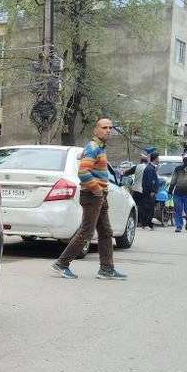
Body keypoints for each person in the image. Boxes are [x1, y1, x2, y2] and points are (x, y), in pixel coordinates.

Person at [51, 118, 128, 280]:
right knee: (86, 232)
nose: (108, 130)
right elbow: (83, 172)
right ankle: (62, 263)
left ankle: (106, 269)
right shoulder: (92, 147)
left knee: (106, 232)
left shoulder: (100, 148)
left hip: (99, 196)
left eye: (110, 127)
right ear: (96, 130)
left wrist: (101, 192)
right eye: (104, 127)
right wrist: (97, 189)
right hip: (93, 196)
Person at [169, 152, 187, 233]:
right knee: (178, 209)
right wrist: (170, 191)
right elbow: (173, 180)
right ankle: (179, 226)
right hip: (178, 193)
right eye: (185, 160)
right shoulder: (178, 169)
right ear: (183, 160)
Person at [139, 152, 160, 228]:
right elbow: (149, 181)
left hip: (150, 191)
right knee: (148, 208)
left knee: (150, 208)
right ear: (155, 159)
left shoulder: (152, 168)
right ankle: (146, 223)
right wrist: (152, 191)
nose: (159, 160)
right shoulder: (150, 169)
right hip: (149, 192)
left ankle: (148, 223)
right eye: (158, 158)